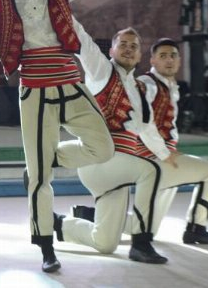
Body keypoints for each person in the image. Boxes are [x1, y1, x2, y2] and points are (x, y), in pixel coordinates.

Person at [0, 0, 155, 272]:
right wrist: (11, 56)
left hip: (68, 79)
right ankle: (46, 247)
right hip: (34, 86)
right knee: (40, 181)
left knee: (102, 147)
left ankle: (46, 158)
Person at [53, 26, 168, 263]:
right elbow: (83, 41)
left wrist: (168, 156)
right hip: (99, 161)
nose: (128, 49)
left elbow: (149, 132)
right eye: (122, 44)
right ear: (111, 51)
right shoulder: (102, 71)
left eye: (134, 46)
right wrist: (60, 8)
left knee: (105, 243)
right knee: (151, 171)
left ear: (140, 55)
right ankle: (141, 243)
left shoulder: (141, 89)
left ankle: (55, 223)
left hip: (120, 170)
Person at [135, 38, 208, 245]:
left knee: (146, 228)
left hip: (158, 159)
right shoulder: (148, 84)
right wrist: (164, 153)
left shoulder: (169, 85)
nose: (169, 60)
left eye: (173, 56)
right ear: (152, 60)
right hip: (152, 159)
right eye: (163, 56)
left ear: (179, 60)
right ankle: (196, 228)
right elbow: (143, 123)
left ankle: (86, 215)